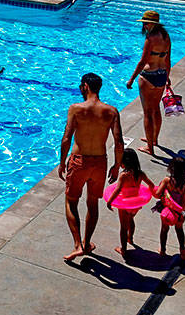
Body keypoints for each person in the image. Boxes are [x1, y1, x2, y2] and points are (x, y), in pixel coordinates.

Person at [59, 72, 123, 262]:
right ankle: (87, 243)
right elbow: (119, 142)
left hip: (79, 161)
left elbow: (66, 138)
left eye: (81, 86)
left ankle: (78, 245)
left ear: (85, 86)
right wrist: (116, 165)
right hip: (100, 162)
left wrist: (62, 162)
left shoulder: (76, 109)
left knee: (71, 201)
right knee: (93, 203)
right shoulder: (111, 111)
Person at [127, 11, 171, 155]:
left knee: (147, 113)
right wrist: (167, 77)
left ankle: (150, 149)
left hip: (148, 76)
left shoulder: (150, 38)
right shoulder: (166, 37)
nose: (144, 25)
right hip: (161, 75)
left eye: (146, 23)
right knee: (156, 109)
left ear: (154, 24)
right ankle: (154, 140)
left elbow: (143, 61)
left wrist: (131, 78)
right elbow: (167, 60)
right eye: (143, 23)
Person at [105, 150, 155, 258]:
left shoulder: (124, 175)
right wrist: (155, 193)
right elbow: (151, 185)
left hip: (125, 204)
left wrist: (109, 202)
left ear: (123, 163)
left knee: (123, 227)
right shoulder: (140, 174)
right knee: (131, 220)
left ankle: (123, 249)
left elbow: (117, 190)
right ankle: (130, 238)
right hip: (135, 204)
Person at [153, 155, 185, 261]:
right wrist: (181, 213)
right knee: (179, 230)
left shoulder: (167, 181)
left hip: (167, 210)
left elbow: (157, 194)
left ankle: (163, 250)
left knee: (164, 229)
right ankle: (182, 251)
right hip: (178, 211)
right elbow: (184, 202)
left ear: (171, 168)